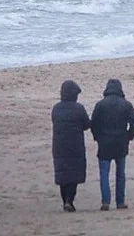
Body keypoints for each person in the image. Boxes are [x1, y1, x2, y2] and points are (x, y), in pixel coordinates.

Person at [90, 79, 134, 211]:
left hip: (104, 143)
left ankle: (106, 201)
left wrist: (97, 137)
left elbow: (93, 123)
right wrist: (129, 136)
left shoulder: (100, 105)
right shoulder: (126, 105)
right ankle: (120, 202)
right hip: (121, 143)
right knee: (120, 174)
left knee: (104, 173)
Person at [51, 80, 90, 212]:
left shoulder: (56, 108)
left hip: (58, 145)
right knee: (74, 174)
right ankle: (69, 200)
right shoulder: (79, 108)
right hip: (75, 145)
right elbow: (86, 125)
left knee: (63, 174)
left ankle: (65, 201)